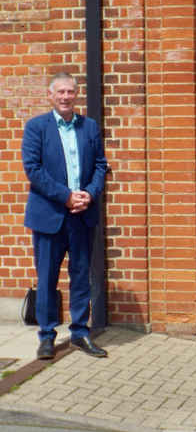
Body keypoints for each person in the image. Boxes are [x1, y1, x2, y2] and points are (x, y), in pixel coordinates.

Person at [22, 72, 109, 360]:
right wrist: (66, 196)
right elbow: (33, 170)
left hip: (82, 215)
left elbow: (100, 165)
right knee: (47, 278)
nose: (65, 97)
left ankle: (80, 333)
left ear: (76, 95)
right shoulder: (36, 127)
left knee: (81, 276)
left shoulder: (89, 127)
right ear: (51, 95)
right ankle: (47, 335)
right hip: (49, 216)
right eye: (60, 92)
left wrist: (89, 194)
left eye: (70, 92)